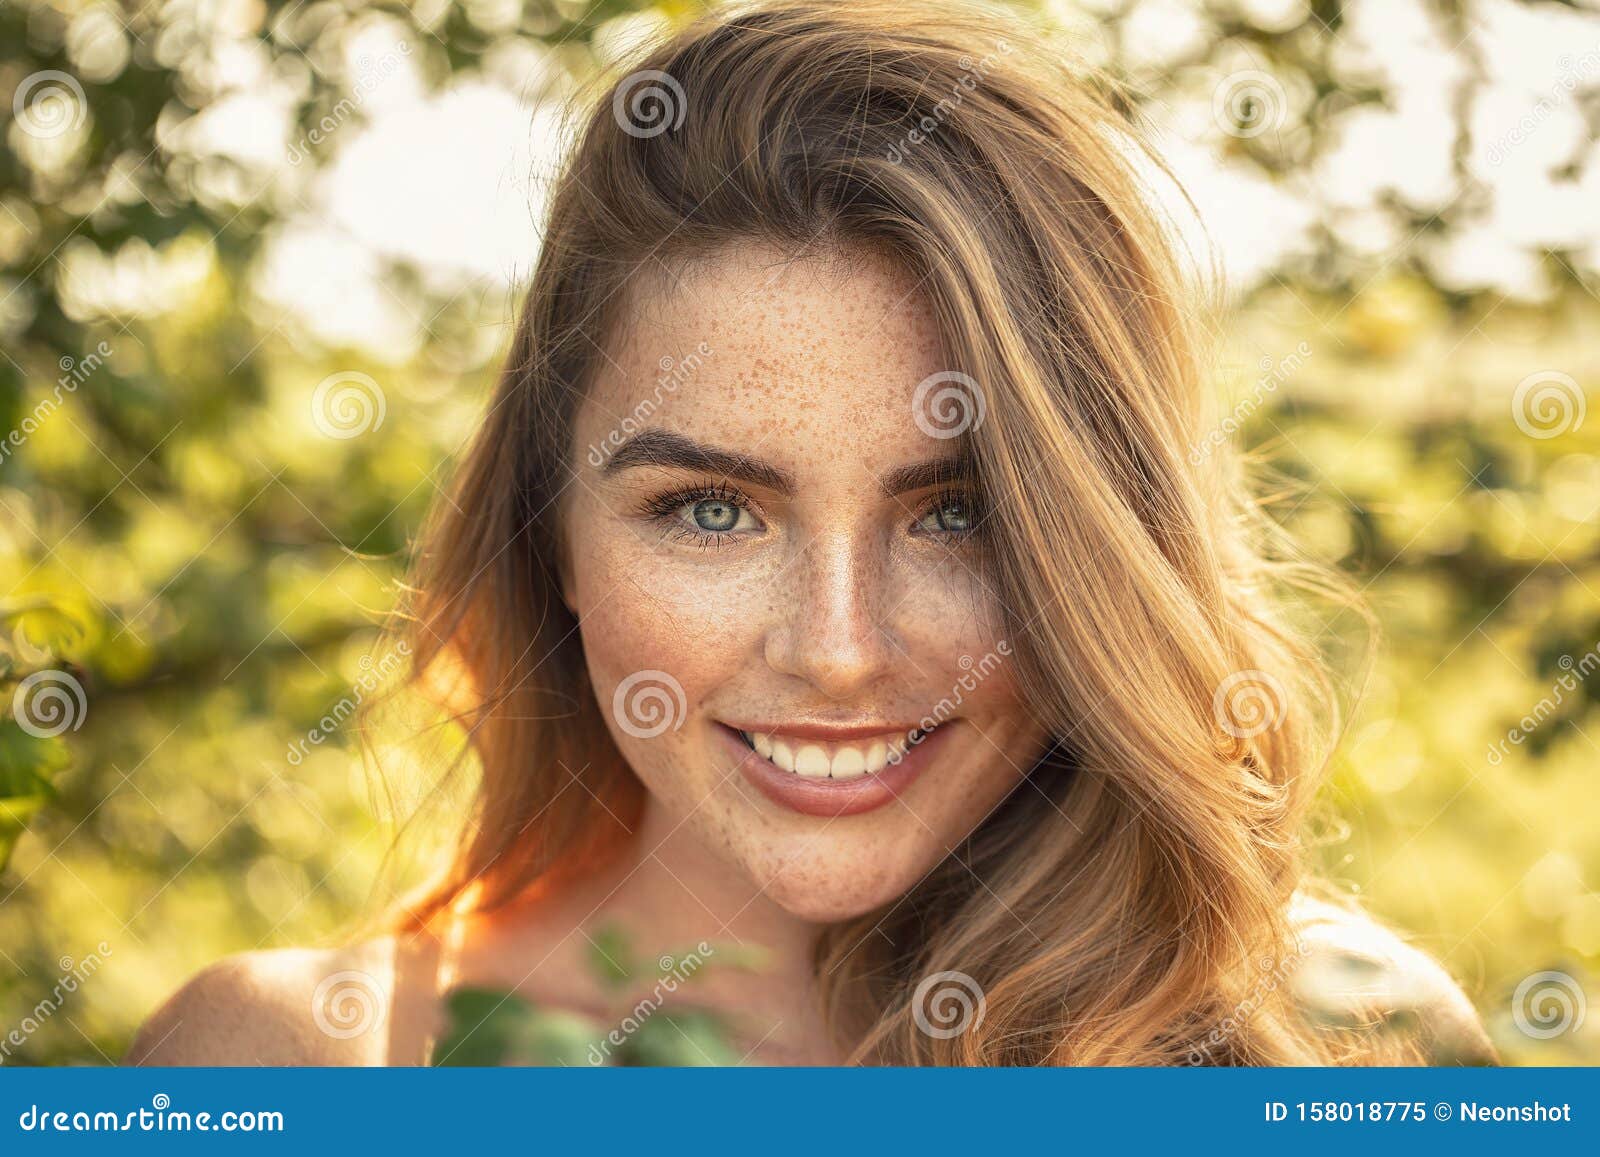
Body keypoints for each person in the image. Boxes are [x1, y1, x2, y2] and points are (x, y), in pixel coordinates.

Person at [129, 0, 1494, 1067]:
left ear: (1102, 543)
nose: (840, 649)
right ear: (549, 531)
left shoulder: (1346, 1043)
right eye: (710, 510)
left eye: (958, 511)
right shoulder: (301, 1064)